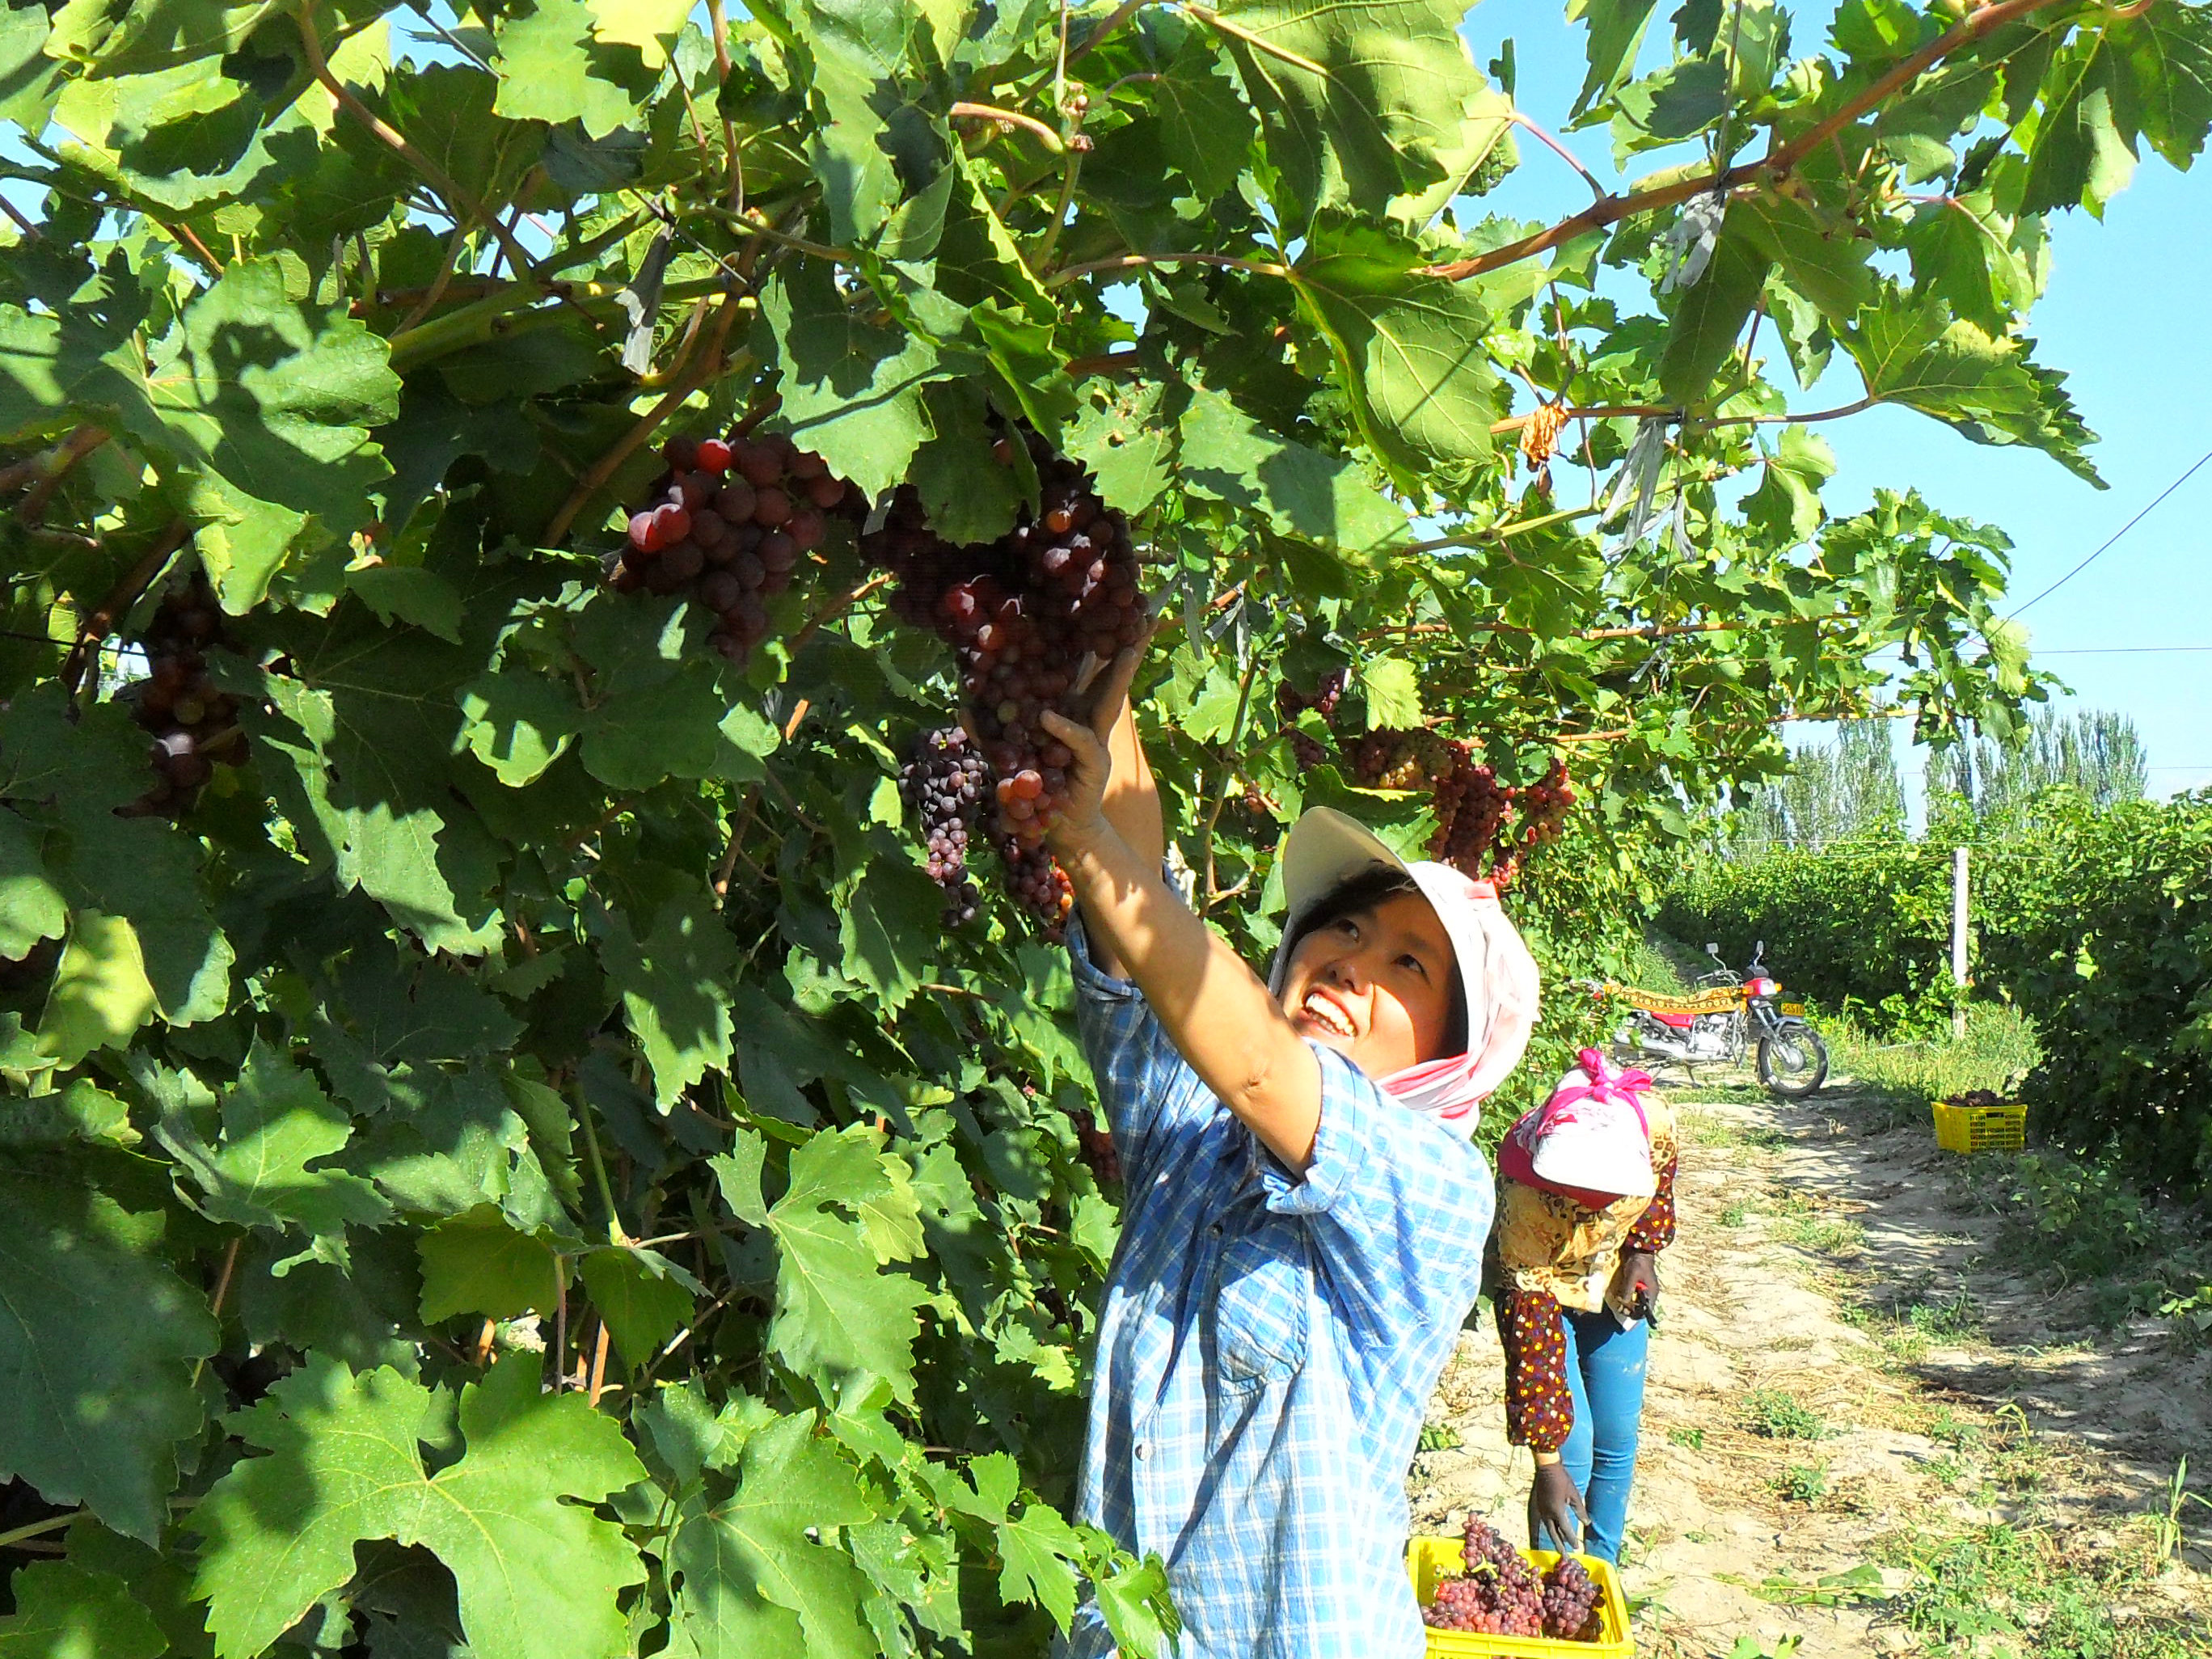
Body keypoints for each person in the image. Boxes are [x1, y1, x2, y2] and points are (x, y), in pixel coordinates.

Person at [1036, 649, 1541, 1658]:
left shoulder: (1437, 1192)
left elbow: (1265, 1068)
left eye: (1407, 964)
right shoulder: (1191, 1127)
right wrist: (1101, 651)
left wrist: (1082, 839)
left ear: (1452, 1057)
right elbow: (1146, 908)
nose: (1350, 961)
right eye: (1341, 928)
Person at [1488, 1047, 1677, 1567]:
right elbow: (1535, 1341)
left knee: (1616, 1438)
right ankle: (1555, 1578)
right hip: (1544, 1292)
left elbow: (1660, 1185)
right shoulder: (1526, 1200)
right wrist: (1547, 1466)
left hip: (1609, 1287)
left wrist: (1642, 1253)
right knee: (1573, 1445)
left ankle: (1601, 1571)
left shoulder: (1651, 1122)